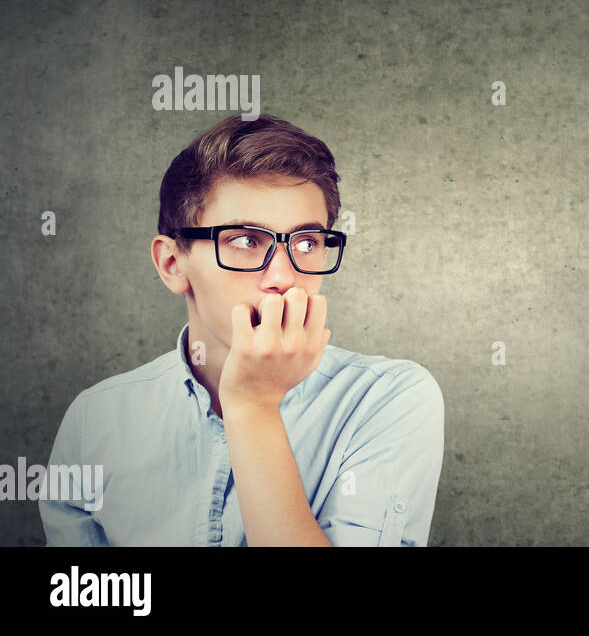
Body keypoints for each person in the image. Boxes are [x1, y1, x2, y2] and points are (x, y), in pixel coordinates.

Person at [39, 114, 444, 546]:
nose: (283, 277)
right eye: (246, 241)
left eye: (307, 243)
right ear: (173, 264)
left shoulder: (390, 398)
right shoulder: (96, 420)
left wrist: (253, 406)